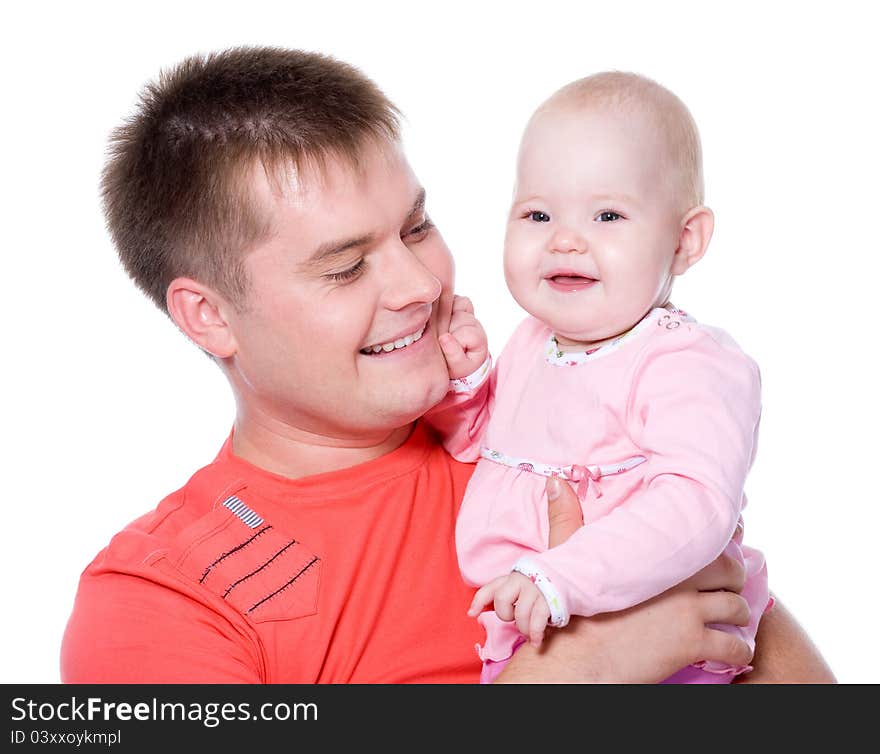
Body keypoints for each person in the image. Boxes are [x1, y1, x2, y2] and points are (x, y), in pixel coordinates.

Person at [60, 47, 833, 683]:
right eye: (344, 267)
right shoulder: (158, 599)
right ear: (210, 316)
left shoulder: (563, 433)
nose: (421, 285)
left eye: (417, 226)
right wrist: (573, 675)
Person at [425, 72, 771, 684]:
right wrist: (463, 383)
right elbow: (492, 448)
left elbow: (696, 505)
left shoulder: (685, 363)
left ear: (685, 241)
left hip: (665, 646)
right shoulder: (534, 341)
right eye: (537, 213)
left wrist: (565, 577)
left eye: (608, 214)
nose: (565, 239)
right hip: (535, 636)